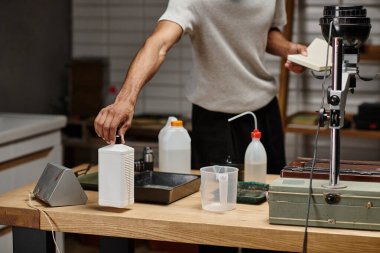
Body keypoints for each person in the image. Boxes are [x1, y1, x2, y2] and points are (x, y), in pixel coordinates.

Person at [95, 0, 306, 252]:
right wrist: (125, 100)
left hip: (262, 113)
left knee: (269, 218)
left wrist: (288, 49)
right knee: (214, 226)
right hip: (212, 120)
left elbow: (266, 31)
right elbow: (159, 43)